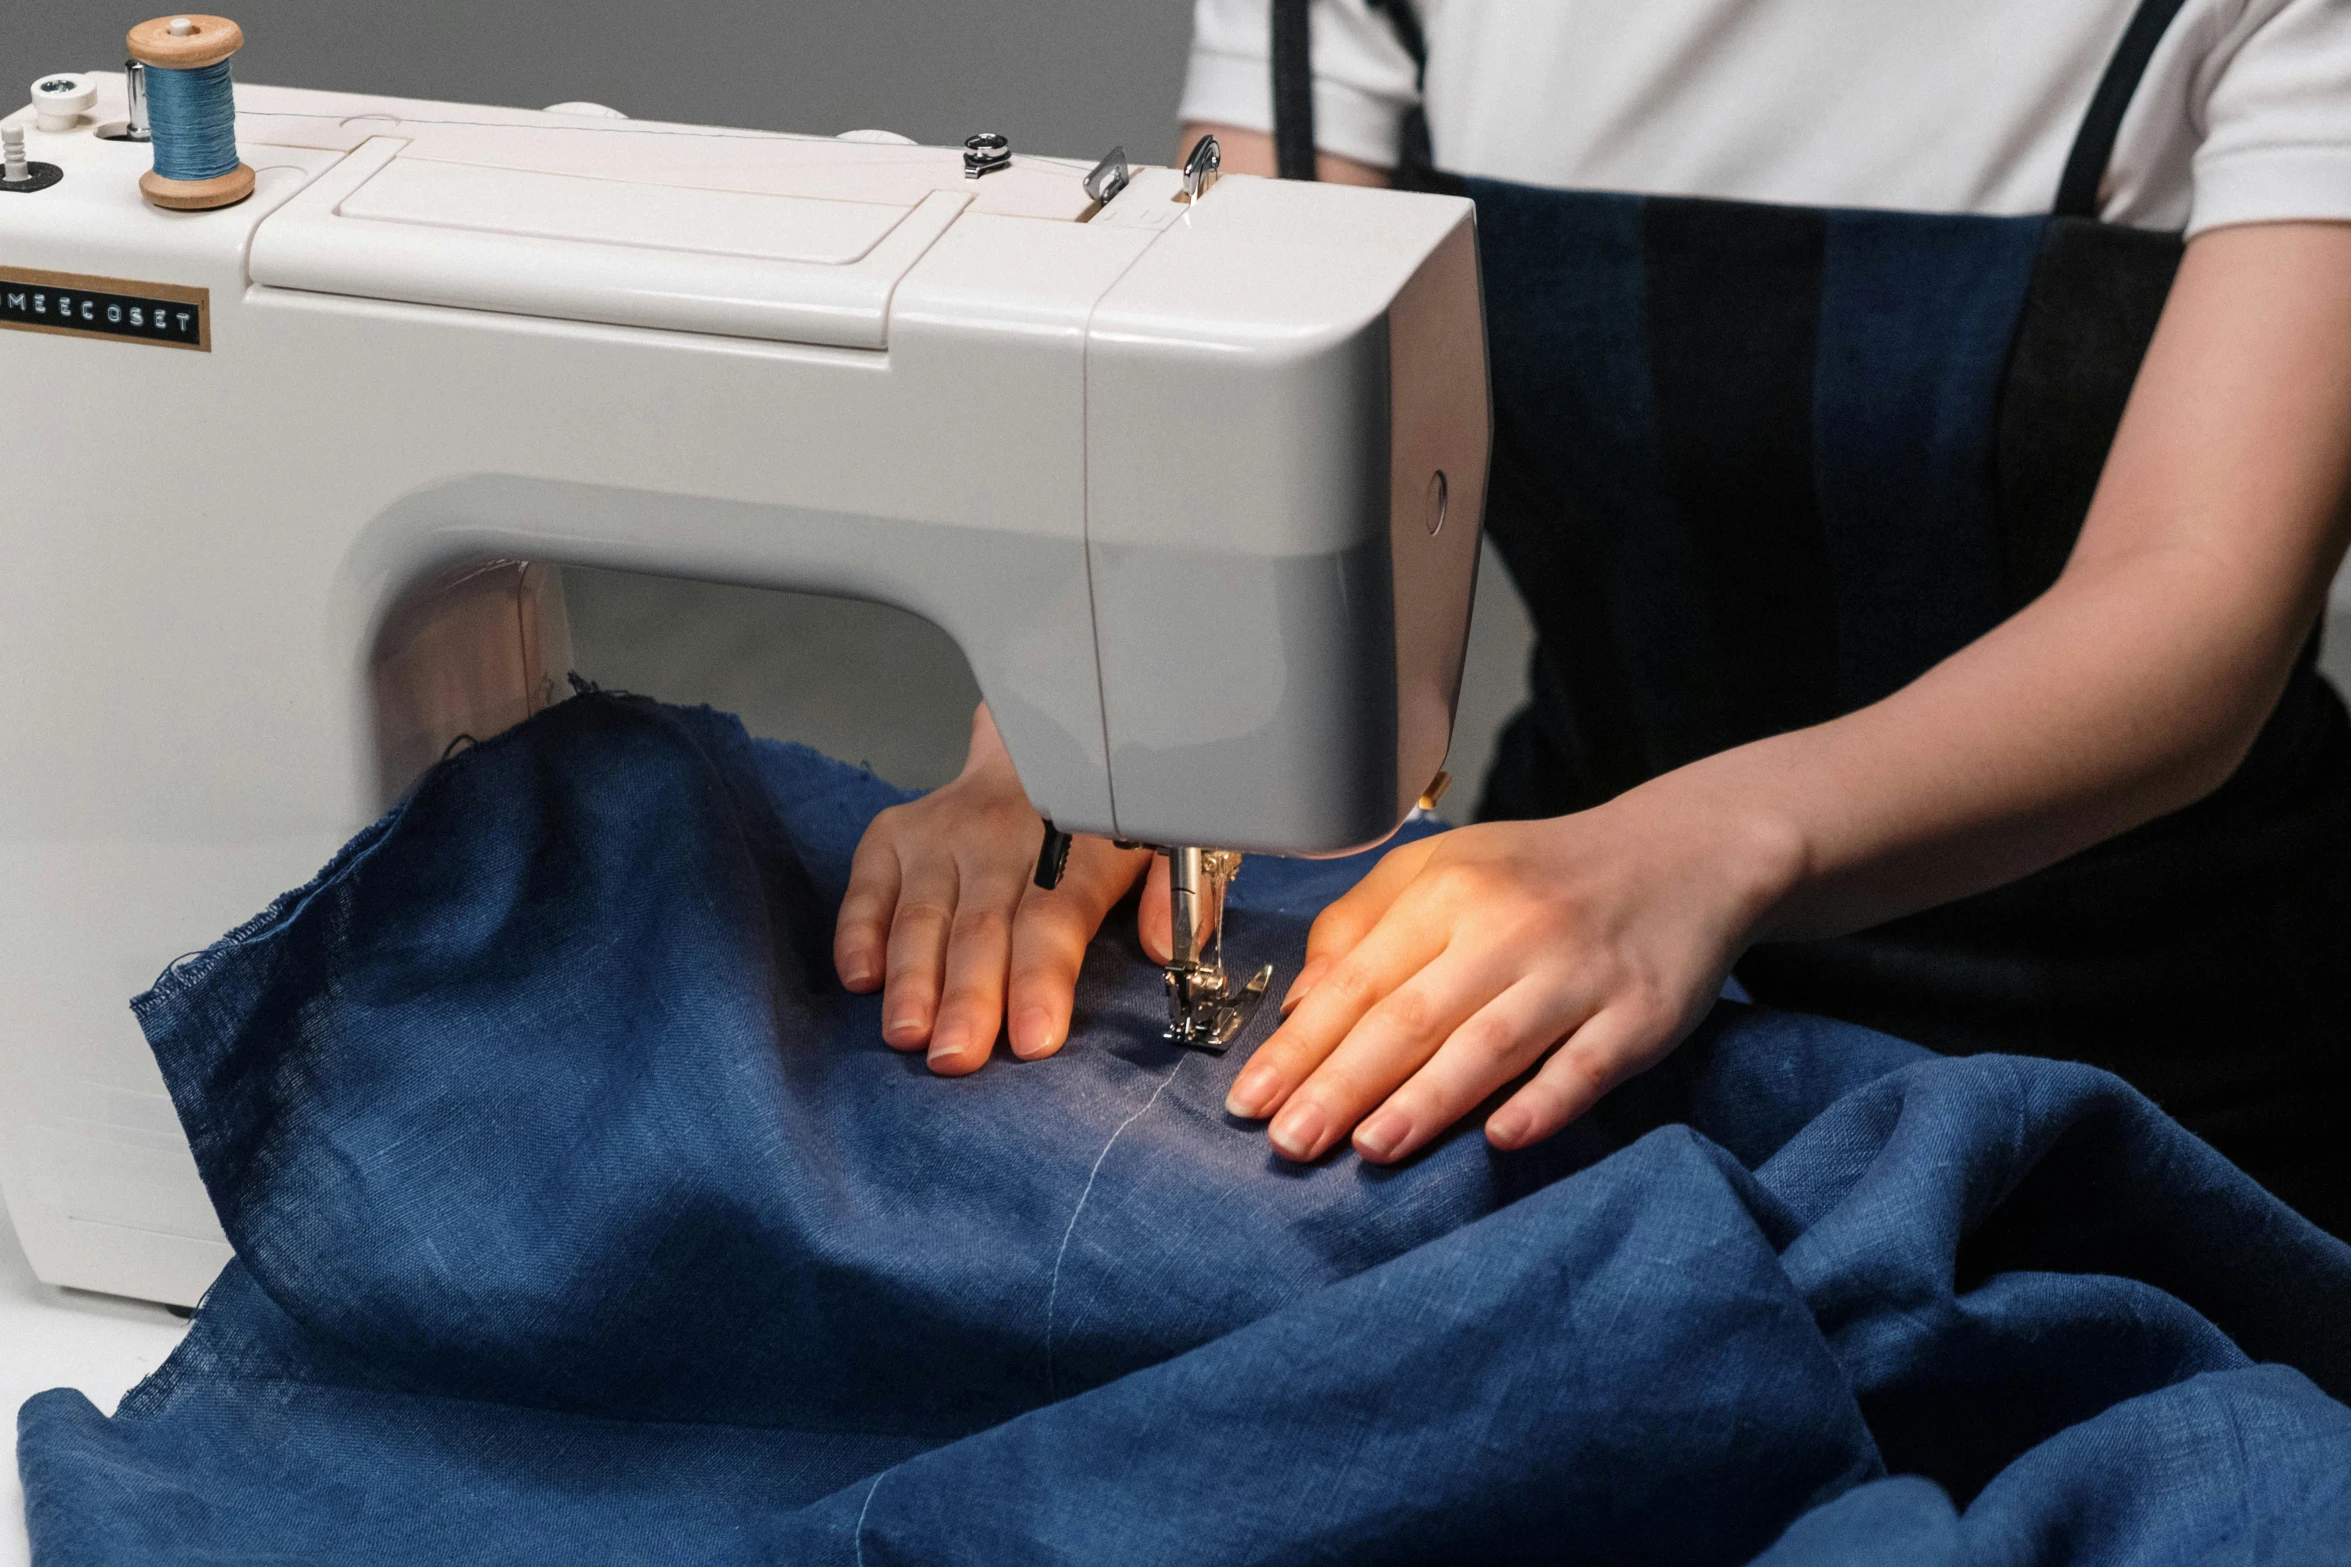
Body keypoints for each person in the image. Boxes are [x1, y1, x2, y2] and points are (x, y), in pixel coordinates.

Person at [834, 0, 2351, 1237]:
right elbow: (1205, 433)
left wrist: (1699, 849)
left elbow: (2192, 593)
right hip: (1556, 929)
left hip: (2159, 1033)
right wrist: (1053, 742)